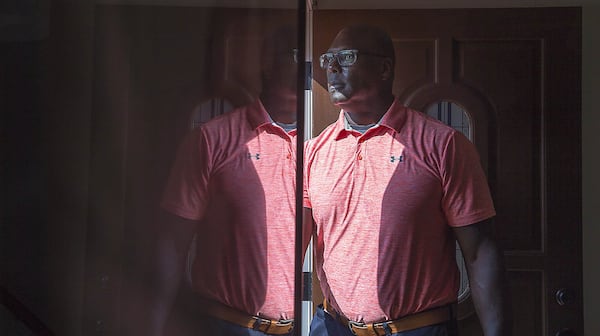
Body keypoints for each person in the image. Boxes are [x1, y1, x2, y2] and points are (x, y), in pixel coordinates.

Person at [303, 25, 511, 336]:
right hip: (333, 327)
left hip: (418, 329)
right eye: (327, 59)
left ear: (384, 68)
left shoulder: (442, 145)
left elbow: (480, 252)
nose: (331, 68)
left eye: (346, 57)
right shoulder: (313, 153)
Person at [148, 26, 307, 336]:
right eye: (295, 55)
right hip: (224, 325)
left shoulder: (327, 146)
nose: (304, 67)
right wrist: (153, 325)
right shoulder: (214, 138)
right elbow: (172, 244)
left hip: (307, 327)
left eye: (314, 60)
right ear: (268, 62)